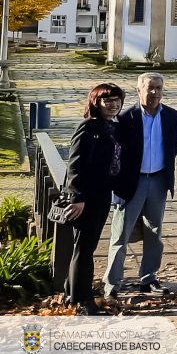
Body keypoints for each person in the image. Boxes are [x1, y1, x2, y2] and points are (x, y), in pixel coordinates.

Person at [104, 72, 177, 299]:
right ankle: (112, 284)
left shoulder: (172, 116)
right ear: (139, 90)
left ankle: (148, 279)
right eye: (150, 88)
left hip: (158, 180)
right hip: (132, 182)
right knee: (121, 234)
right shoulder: (125, 118)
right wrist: (117, 188)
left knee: (154, 232)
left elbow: (173, 147)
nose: (155, 92)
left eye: (159, 87)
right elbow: (116, 157)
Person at [64, 84, 123, 315]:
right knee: (85, 248)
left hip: (102, 195)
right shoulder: (89, 127)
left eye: (117, 99)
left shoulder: (110, 126)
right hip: (86, 197)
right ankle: (83, 300)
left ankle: (71, 291)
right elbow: (75, 163)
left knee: (86, 246)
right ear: (96, 102)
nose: (113, 104)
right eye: (107, 100)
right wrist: (77, 197)